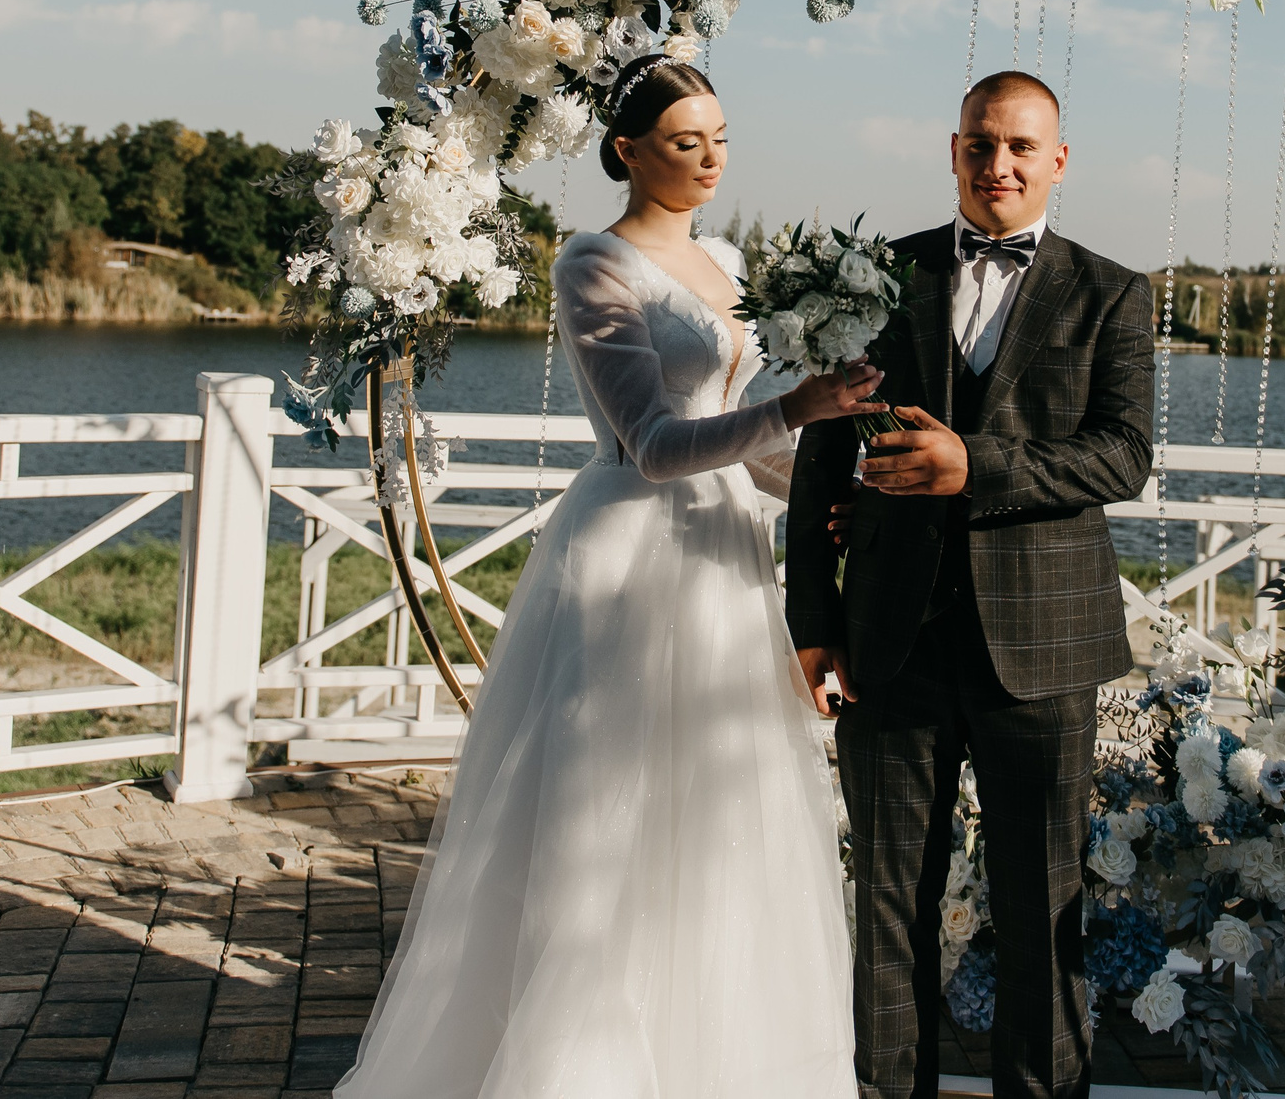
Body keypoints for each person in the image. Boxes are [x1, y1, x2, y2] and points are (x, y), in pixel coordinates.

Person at [336, 53, 881, 1099]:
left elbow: (745, 441)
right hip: (630, 555)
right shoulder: (593, 261)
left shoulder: (726, 257)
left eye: (720, 136)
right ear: (628, 150)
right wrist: (795, 411)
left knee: (725, 807)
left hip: (722, 557)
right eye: (686, 141)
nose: (710, 157)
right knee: (613, 809)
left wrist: (815, 494)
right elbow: (649, 442)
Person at [786, 70, 1156, 1099]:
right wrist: (812, 617)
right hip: (888, 641)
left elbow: (1123, 455)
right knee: (888, 909)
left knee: (1043, 911)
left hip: (1044, 648)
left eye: (1020, 147)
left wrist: (973, 466)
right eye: (981, 144)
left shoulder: (1114, 292)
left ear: (1057, 160)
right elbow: (822, 456)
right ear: (953, 151)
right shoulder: (872, 278)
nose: (999, 164)